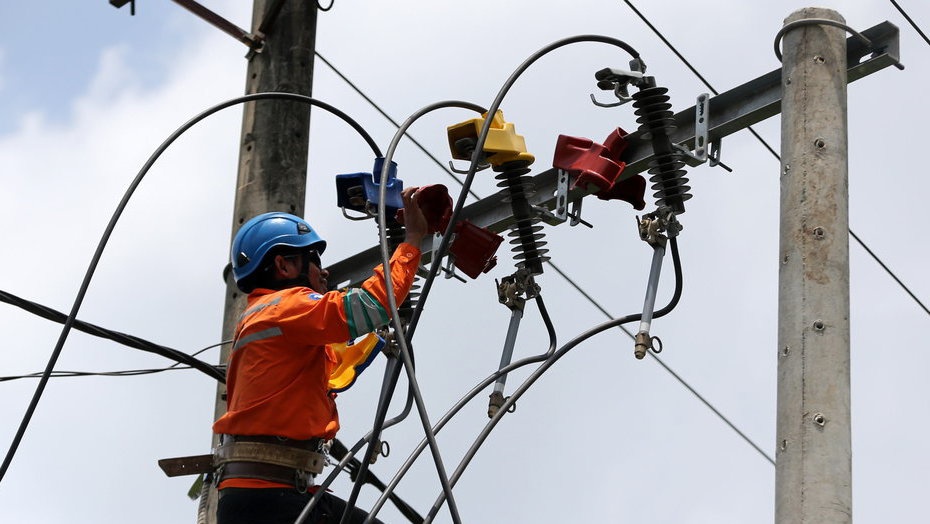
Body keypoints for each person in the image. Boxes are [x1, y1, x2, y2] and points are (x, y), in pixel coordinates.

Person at [213, 186, 428, 524]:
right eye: (314, 260)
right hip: (269, 499)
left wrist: (380, 338)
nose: (324, 272)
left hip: (271, 494)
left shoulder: (273, 320)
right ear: (284, 265)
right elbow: (368, 305)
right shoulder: (285, 307)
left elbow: (336, 363)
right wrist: (413, 242)